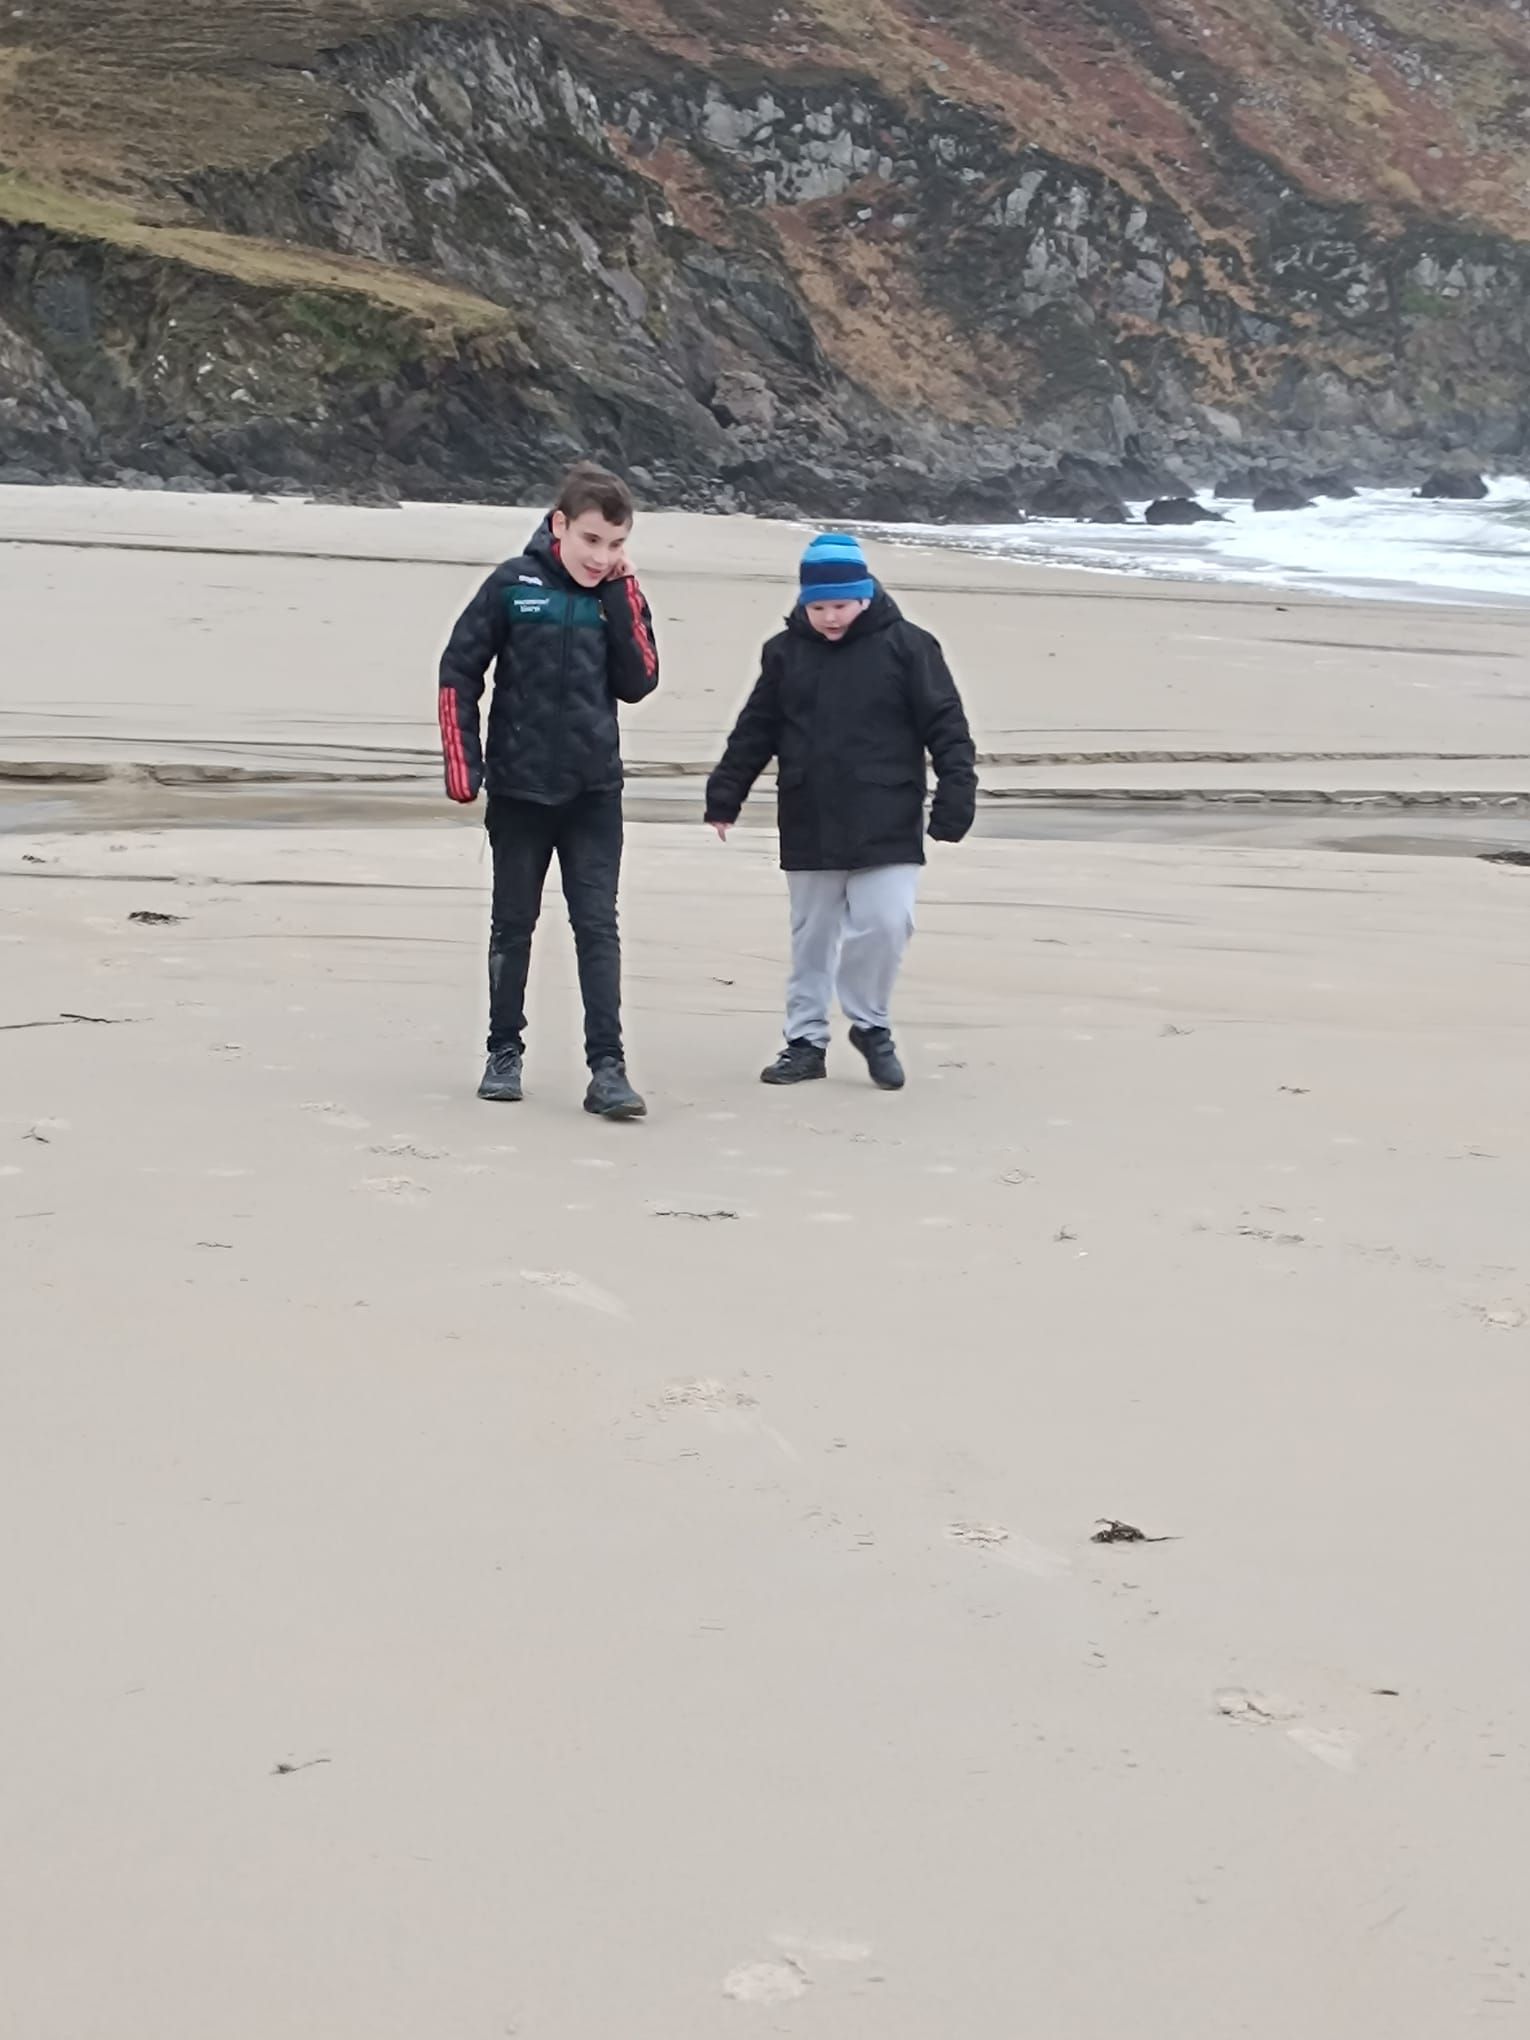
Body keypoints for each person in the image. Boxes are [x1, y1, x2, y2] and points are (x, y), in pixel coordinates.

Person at [704, 532, 976, 1090]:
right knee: (812, 935)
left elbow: (947, 726)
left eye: (841, 604)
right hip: (810, 815)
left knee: (887, 922)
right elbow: (756, 729)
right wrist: (725, 794)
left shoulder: (909, 646)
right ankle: (804, 1041)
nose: (830, 616)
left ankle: (870, 1022)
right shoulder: (784, 653)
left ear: (866, 595)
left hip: (888, 812)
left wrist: (956, 793)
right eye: (819, 605)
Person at [437, 463, 659, 1118]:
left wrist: (623, 595)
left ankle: (608, 1070)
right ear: (560, 525)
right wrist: (463, 763)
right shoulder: (513, 585)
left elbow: (639, 679)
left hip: (593, 792)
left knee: (597, 928)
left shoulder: (617, 593)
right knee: (513, 925)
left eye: (616, 544)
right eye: (592, 540)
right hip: (519, 790)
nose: (602, 555)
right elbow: (459, 669)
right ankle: (503, 1053)